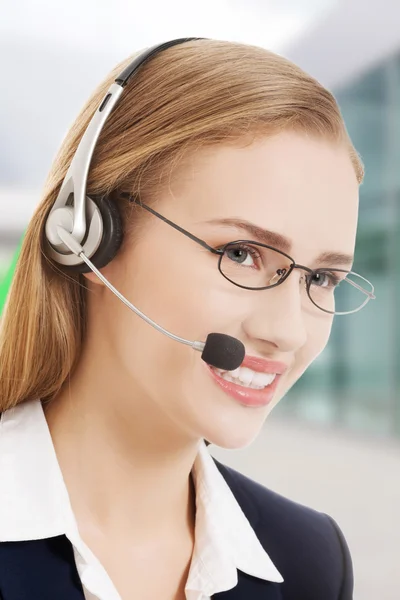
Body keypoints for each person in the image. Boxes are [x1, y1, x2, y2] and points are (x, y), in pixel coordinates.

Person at [0, 37, 375, 600]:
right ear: (85, 237)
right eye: (241, 254)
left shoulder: (308, 560)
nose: (288, 332)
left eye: (319, 278)